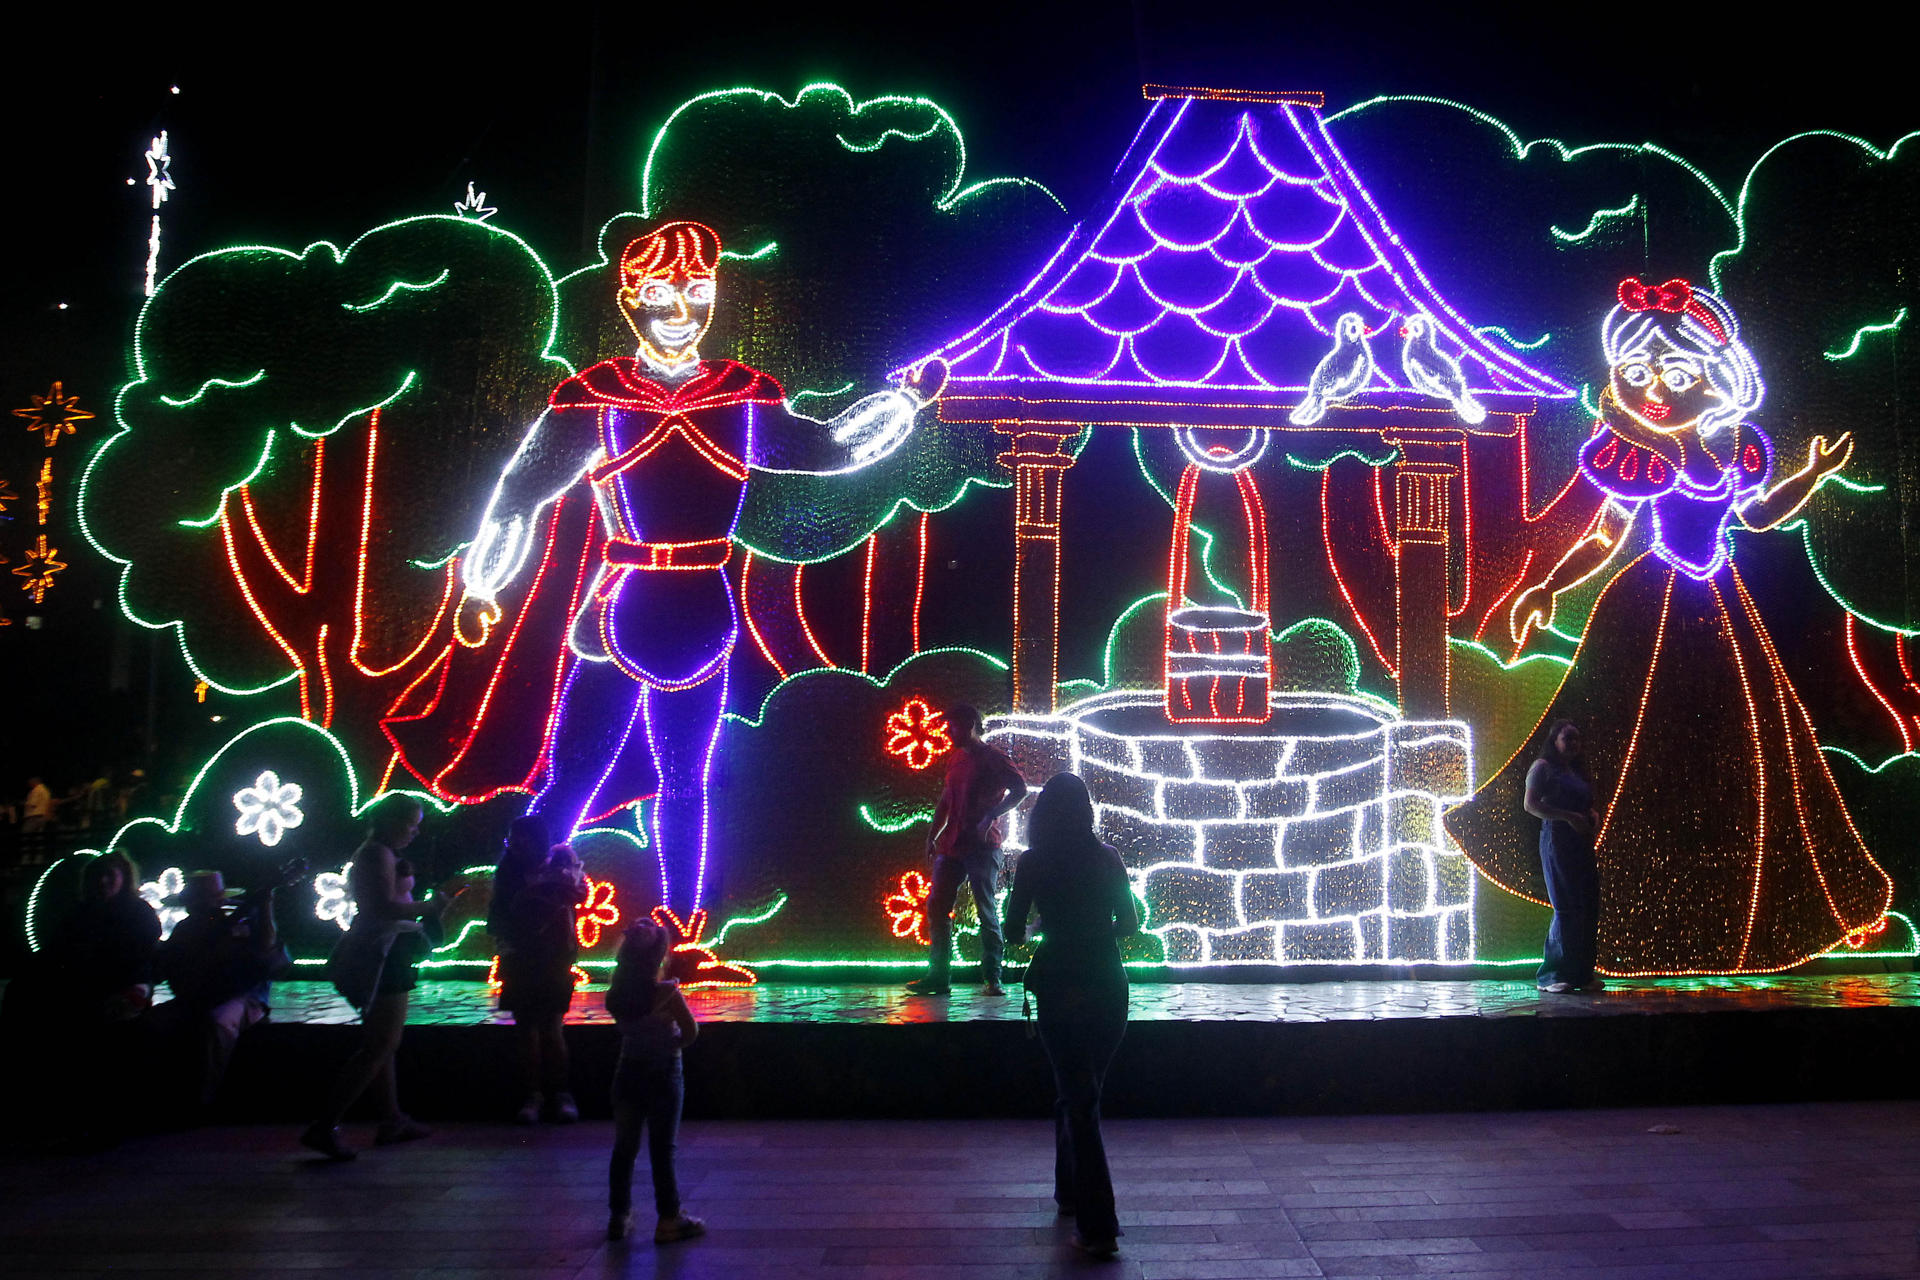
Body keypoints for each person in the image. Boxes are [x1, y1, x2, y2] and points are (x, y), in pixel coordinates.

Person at [393, 220, 945, 923]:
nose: (680, 311)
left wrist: (905, 402)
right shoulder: (597, 401)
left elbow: (832, 447)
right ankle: (513, 914)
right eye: (659, 292)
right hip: (618, 611)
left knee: (688, 780)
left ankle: (683, 932)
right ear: (628, 300)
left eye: (695, 290)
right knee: (575, 777)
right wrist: (481, 584)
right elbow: (518, 496)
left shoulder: (740, 399)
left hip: (701, 611)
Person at [1447, 277, 1892, 974]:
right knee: (1631, 749)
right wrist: (1546, 586)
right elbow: (1605, 535)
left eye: (1676, 372)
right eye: (1636, 371)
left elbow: (1757, 514)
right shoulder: (1635, 457)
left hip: (1720, 608)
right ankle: (1614, 921)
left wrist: (1813, 475)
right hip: (1650, 607)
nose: (1653, 386)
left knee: (1750, 752)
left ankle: (1743, 908)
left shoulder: (1732, 450)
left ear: (1717, 379)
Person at [1004, 773, 1139, 1259]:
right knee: (1084, 1093)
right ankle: (1069, 1193)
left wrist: (1045, 923)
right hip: (1107, 981)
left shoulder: (1033, 863)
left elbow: (1013, 931)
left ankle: (1097, 1223)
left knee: (1077, 1098)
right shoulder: (1108, 859)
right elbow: (1130, 923)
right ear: (1087, 811)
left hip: (1060, 982)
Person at [301, 793, 443, 1160]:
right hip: (384, 953)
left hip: (384, 949)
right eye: (410, 824)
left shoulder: (376, 852)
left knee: (382, 1042)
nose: (414, 832)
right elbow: (379, 906)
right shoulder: (377, 854)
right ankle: (325, 1125)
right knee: (380, 1043)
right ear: (391, 822)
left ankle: (391, 1118)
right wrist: (429, 906)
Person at [907, 704, 1028, 997]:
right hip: (952, 845)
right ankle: (938, 976)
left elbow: (1020, 789)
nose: (948, 734)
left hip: (983, 847)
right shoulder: (956, 760)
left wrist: (990, 816)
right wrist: (932, 835)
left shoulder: (994, 757)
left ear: (971, 724)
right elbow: (946, 800)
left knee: (986, 910)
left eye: (953, 727)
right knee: (937, 906)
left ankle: (992, 978)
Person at [604, 921, 704, 1245]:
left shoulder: (616, 995)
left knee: (624, 1148)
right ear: (659, 956)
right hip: (663, 1074)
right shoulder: (667, 993)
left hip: (628, 1071)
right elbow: (691, 1033)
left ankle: (619, 1216)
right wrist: (671, 1043)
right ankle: (669, 1218)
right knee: (663, 1150)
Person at [157, 869, 287, 1105]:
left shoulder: (244, 922)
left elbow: (268, 949)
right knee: (152, 1022)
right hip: (200, 996)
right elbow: (173, 971)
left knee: (218, 1022)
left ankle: (202, 1101)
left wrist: (266, 902)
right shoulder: (186, 928)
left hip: (242, 995)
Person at [490, 818, 586, 1124]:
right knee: (526, 1030)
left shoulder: (560, 867)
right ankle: (533, 1095)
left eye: (523, 839)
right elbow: (496, 920)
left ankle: (559, 1093)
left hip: (553, 957)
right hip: (521, 957)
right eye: (513, 839)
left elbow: (579, 896)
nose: (517, 845)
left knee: (551, 1027)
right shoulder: (507, 874)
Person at [1522, 721, 1603, 994]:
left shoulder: (1577, 772)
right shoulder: (1542, 767)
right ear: (1554, 740)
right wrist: (1567, 817)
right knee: (1566, 906)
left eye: (1577, 739)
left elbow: (1585, 804)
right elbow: (1530, 804)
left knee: (1588, 905)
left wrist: (1591, 814)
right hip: (1558, 839)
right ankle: (1551, 975)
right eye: (1568, 739)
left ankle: (1581, 974)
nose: (1574, 744)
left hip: (1581, 842)